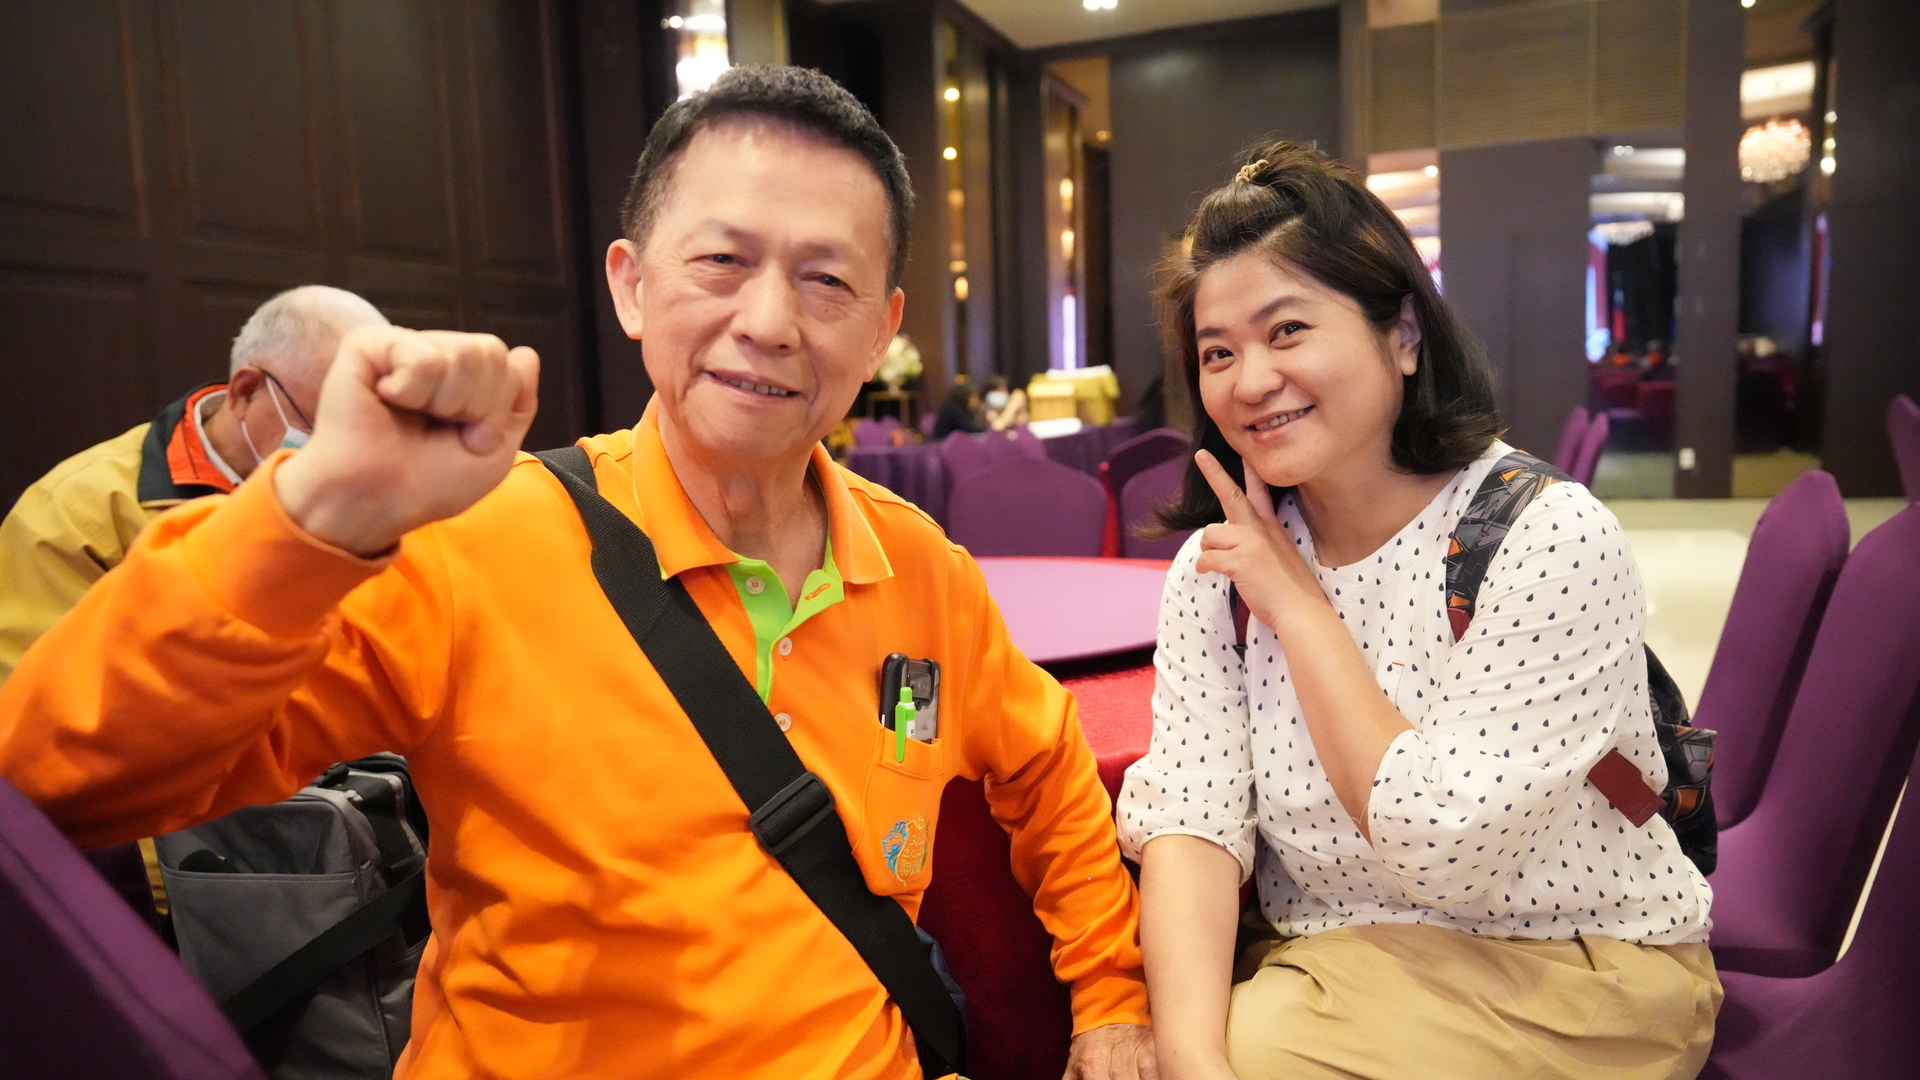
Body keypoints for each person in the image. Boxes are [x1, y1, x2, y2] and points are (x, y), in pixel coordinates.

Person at [0, 67, 1153, 1080]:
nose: (769, 321)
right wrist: (314, 517)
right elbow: (62, 782)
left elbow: (1047, 766)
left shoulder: (920, 569)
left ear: (882, 325)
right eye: (722, 261)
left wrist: (1108, 994)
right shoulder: (479, 542)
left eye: (826, 282)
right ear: (631, 284)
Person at [1115, 143, 1718, 1080]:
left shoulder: (1543, 537)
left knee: (1260, 1051)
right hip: (1332, 958)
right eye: (1218, 353)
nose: (1250, 380)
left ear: (1402, 336)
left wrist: (1302, 613)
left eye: (1287, 331)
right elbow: (1194, 820)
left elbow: (1442, 846)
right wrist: (1190, 1057)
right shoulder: (1217, 570)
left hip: (1572, 966)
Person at [0, 285, 387, 683]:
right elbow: (30, 692)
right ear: (246, 392)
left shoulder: (375, 492)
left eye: (369, 430)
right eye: (329, 426)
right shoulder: (75, 512)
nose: (350, 455)